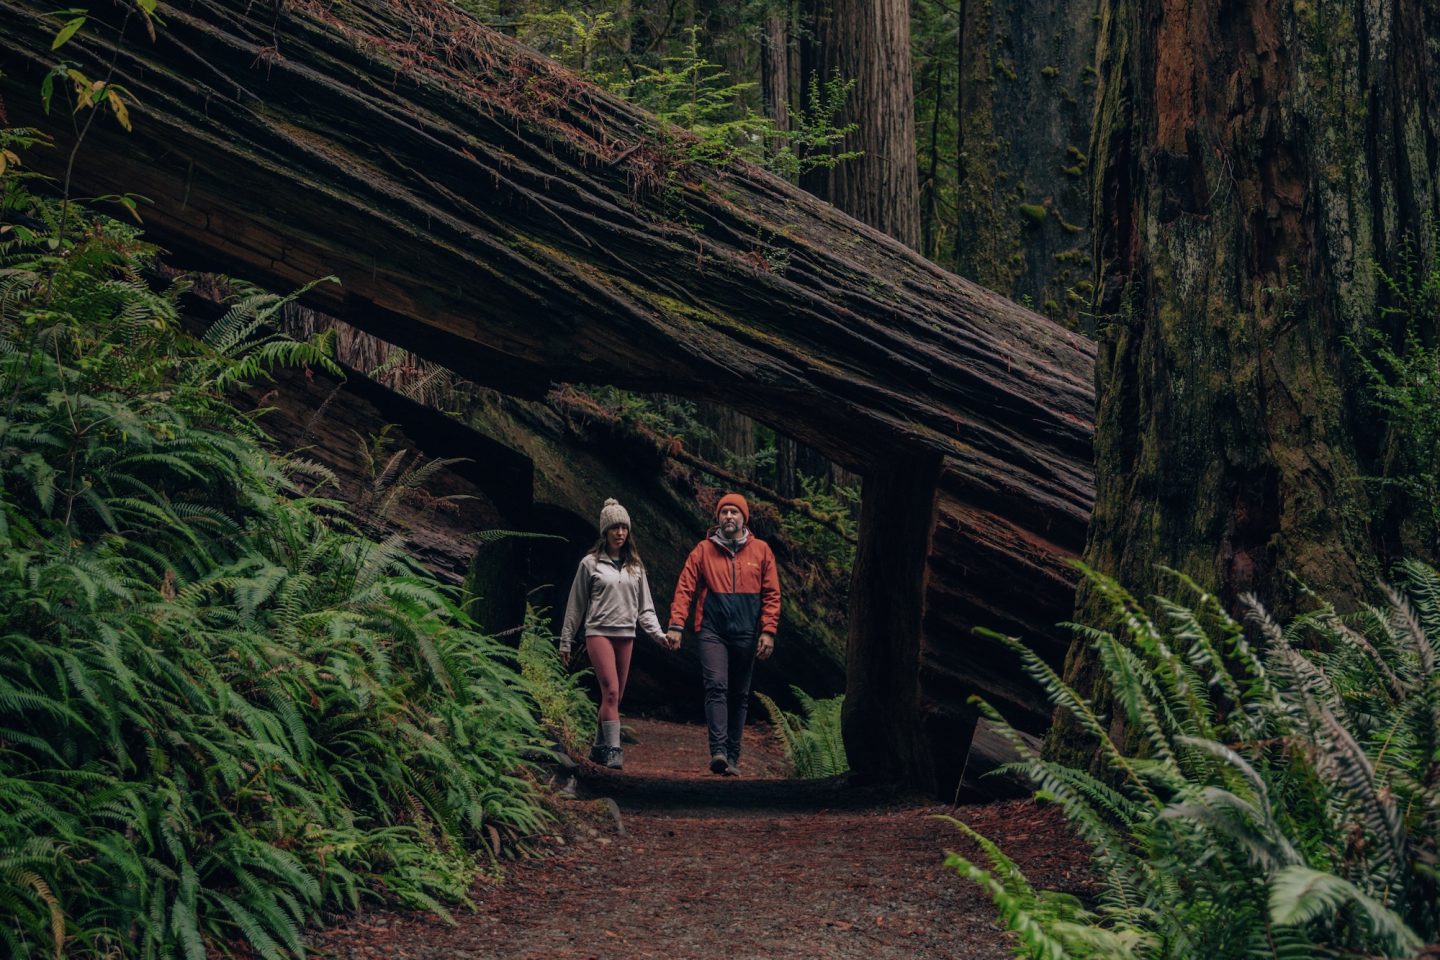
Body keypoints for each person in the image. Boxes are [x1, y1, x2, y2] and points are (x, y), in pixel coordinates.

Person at [665, 492, 779, 776]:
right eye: (724, 512)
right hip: (712, 630)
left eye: (734, 512)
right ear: (718, 518)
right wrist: (676, 625)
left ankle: (733, 756)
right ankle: (718, 752)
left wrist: (768, 631)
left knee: (740, 694)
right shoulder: (703, 550)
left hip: (746, 632)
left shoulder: (762, 550)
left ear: (744, 518)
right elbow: (685, 588)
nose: (729, 516)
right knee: (717, 685)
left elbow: (772, 594)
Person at [559, 498, 668, 770]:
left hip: (626, 635)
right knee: (610, 692)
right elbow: (576, 605)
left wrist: (660, 636)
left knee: (615, 698)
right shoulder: (590, 564)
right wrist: (566, 641)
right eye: (614, 528)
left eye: (624, 528)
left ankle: (598, 748)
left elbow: (646, 609)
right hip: (598, 633)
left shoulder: (636, 567)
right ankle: (613, 750)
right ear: (605, 531)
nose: (620, 533)